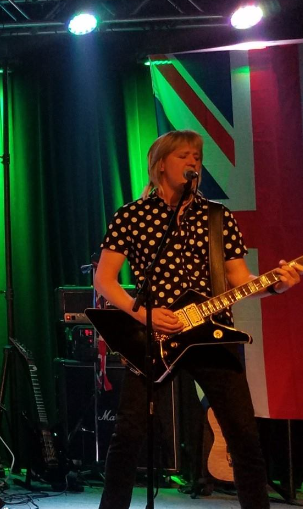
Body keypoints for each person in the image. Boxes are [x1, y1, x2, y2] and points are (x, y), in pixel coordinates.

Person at [94, 130, 302, 509]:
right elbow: (104, 280)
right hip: (157, 336)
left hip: (212, 334)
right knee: (128, 435)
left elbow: (240, 280)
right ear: (160, 165)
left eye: (197, 157)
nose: (193, 162)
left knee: (243, 436)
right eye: (184, 156)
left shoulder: (217, 216)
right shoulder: (132, 215)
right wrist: (146, 314)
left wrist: (275, 286)